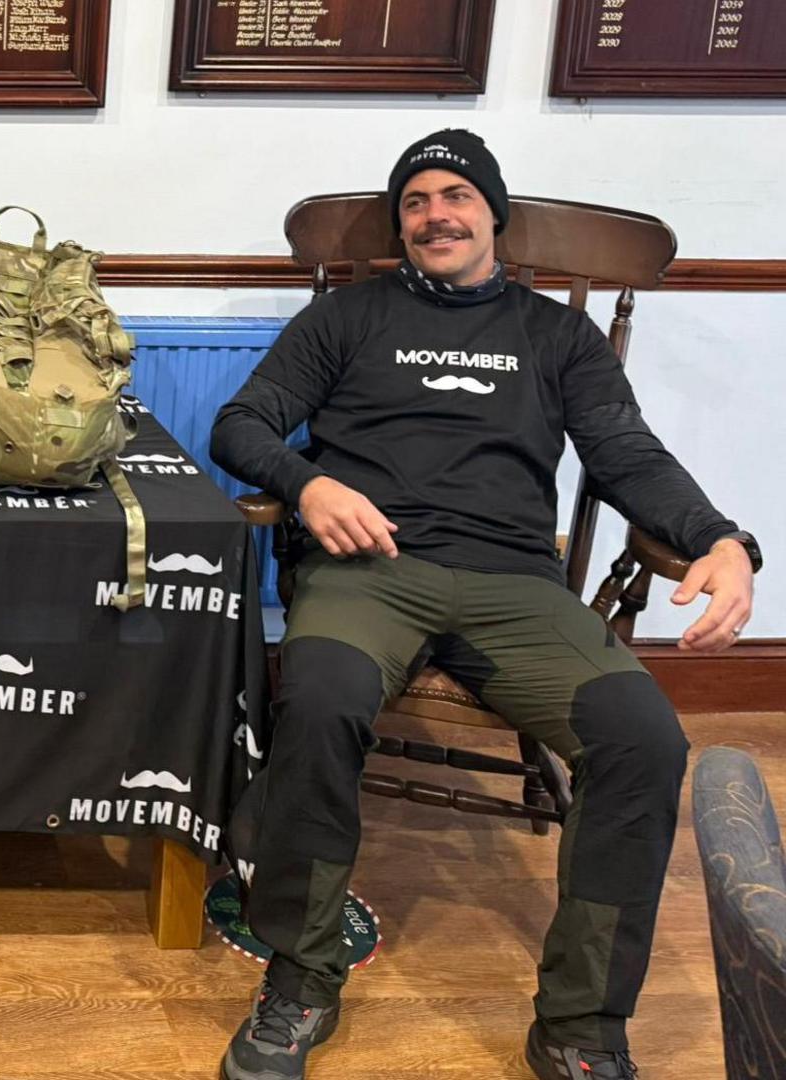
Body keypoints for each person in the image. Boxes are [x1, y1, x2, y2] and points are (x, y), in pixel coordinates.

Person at [209, 129, 758, 1080]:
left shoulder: (557, 336)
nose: (436, 215)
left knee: (645, 739)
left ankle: (581, 1029)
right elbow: (241, 423)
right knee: (320, 697)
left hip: (513, 582)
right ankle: (301, 976)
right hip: (370, 569)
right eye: (415, 201)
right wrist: (309, 486)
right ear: (401, 224)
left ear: (492, 213)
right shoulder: (347, 318)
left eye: (456, 195)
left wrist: (722, 539)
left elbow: (627, 455)